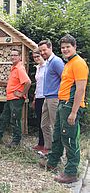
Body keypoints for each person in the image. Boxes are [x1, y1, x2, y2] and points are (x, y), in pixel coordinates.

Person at [41, 34, 88, 183]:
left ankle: (71, 173)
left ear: (75, 47)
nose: (65, 49)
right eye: (63, 47)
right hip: (63, 103)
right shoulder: (68, 63)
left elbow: (80, 89)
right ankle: (52, 163)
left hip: (71, 105)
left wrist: (73, 112)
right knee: (58, 136)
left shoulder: (79, 63)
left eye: (68, 47)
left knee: (69, 139)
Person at [0, 48, 31, 147]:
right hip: (10, 98)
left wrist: (22, 93)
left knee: (15, 120)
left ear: (19, 57)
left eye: (15, 55)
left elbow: (28, 82)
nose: (13, 57)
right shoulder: (13, 68)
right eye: (11, 55)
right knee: (3, 118)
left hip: (16, 100)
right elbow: (15, 83)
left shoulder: (19, 68)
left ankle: (16, 142)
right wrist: (3, 83)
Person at [38, 40, 64, 155]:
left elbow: (65, 78)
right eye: (41, 51)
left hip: (54, 98)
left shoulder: (56, 61)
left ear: (50, 48)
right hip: (47, 97)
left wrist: (61, 95)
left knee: (55, 125)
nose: (42, 52)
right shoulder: (48, 62)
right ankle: (48, 148)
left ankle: (58, 152)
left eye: (44, 50)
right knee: (44, 124)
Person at [31, 49, 46, 151]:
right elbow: (38, 85)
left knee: (46, 122)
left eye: (38, 56)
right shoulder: (38, 68)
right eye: (34, 57)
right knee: (39, 121)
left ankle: (47, 145)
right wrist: (34, 98)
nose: (36, 59)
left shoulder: (47, 67)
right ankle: (41, 143)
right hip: (38, 96)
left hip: (46, 96)